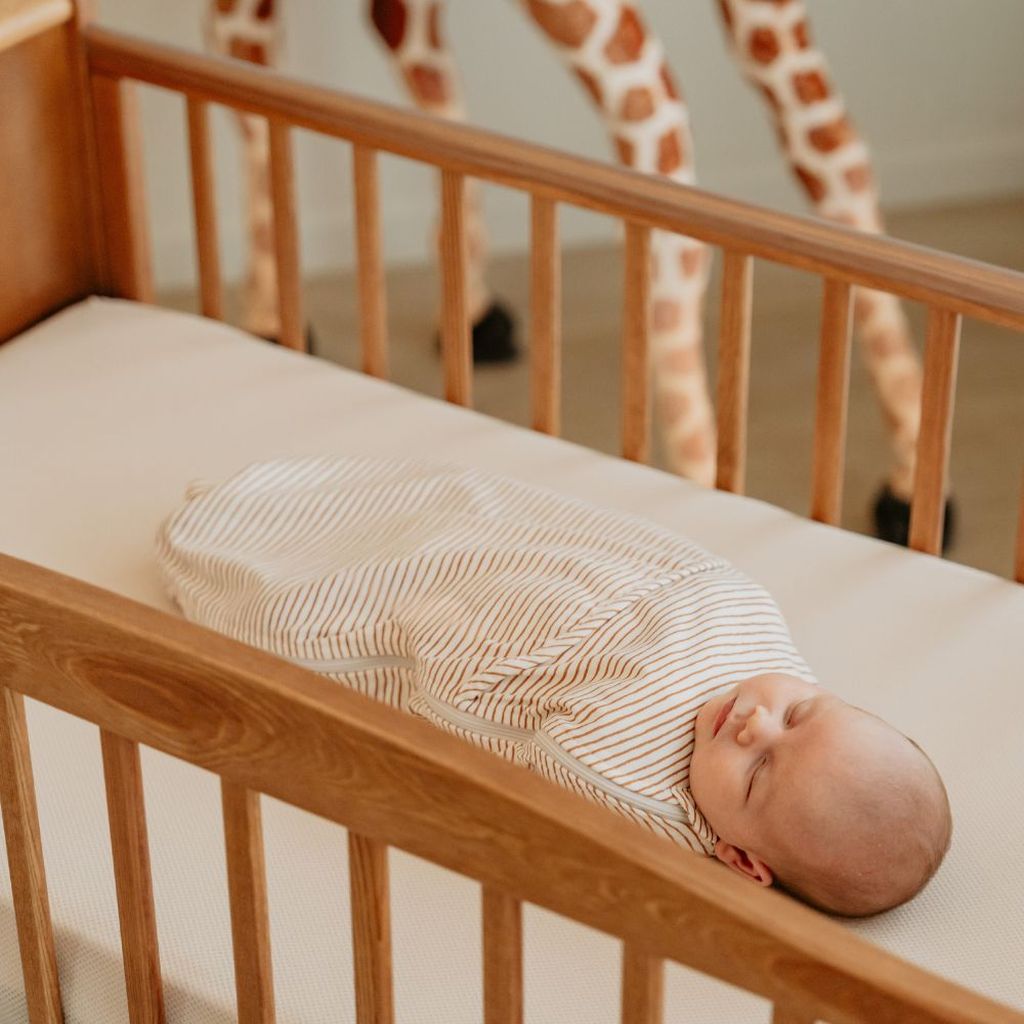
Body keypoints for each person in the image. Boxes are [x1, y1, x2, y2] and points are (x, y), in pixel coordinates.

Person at [158, 456, 950, 917]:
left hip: (476, 616)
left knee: (336, 608)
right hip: (549, 560)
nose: (754, 723)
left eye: (760, 771)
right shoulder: (750, 636)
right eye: (799, 713)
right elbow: (690, 577)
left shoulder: (641, 797)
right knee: (457, 515)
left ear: (741, 861)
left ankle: (235, 542)